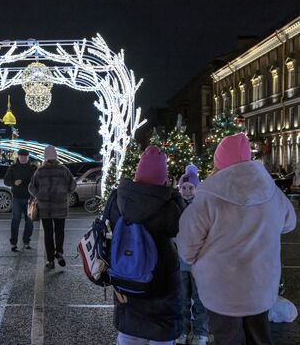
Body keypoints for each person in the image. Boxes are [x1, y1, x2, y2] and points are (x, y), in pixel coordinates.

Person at [177, 133, 296, 345]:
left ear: (219, 162)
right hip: (260, 286)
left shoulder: (207, 196)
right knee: (260, 338)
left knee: (228, 338)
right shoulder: (271, 190)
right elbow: (289, 223)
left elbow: (187, 247)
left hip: (221, 290)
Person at [106, 146, 183, 345]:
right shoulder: (168, 206)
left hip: (126, 279)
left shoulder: (118, 199)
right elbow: (180, 228)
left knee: (128, 334)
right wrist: (172, 193)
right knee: (161, 338)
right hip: (161, 287)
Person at [175, 164, 209, 345]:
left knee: (200, 299)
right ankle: (182, 330)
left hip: (198, 263)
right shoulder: (176, 206)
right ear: (179, 189)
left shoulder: (202, 207)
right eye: (184, 188)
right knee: (181, 299)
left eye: (191, 188)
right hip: (181, 262)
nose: (187, 191)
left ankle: (201, 332)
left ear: (197, 188)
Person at [28, 146, 76, 269]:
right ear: (56, 157)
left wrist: (39, 195)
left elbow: (31, 187)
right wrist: (64, 193)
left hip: (45, 208)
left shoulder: (40, 171)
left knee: (48, 234)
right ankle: (59, 252)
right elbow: (73, 185)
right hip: (60, 206)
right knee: (59, 231)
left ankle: (50, 261)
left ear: (45, 158)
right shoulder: (63, 170)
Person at [3, 149, 37, 252]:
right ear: (18, 156)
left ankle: (26, 242)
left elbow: (38, 182)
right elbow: (6, 181)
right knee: (15, 221)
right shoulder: (13, 168)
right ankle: (13, 243)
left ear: (28, 157)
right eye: (21, 156)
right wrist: (14, 183)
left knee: (30, 222)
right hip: (17, 198)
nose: (23, 158)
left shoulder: (33, 168)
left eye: (25, 156)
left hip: (30, 199)